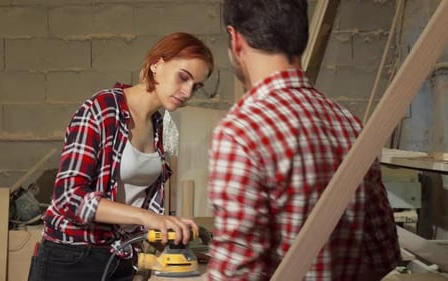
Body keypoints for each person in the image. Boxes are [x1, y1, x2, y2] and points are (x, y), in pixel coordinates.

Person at [206, 0, 401, 280]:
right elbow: (384, 255)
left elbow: (236, 274)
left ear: (236, 39)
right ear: (301, 37)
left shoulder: (241, 131)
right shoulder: (350, 124)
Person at [28, 32, 214, 281]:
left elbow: (141, 200)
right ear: (156, 65)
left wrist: (170, 235)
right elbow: (69, 196)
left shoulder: (161, 124)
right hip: (72, 257)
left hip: (120, 255)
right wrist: (149, 218)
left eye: (196, 86)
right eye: (183, 77)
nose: (188, 92)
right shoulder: (102, 109)